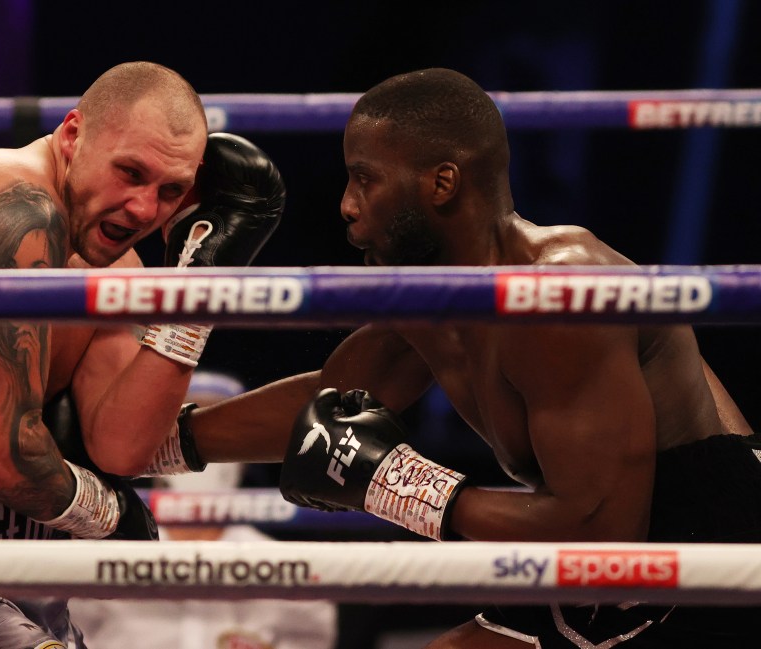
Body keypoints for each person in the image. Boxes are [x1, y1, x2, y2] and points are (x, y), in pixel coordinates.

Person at [175, 68, 761, 648]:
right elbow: (324, 411)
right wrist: (152, 445)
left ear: (442, 182)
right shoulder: (434, 302)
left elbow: (602, 532)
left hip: (707, 555)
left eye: (365, 179)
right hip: (606, 558)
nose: (347, 205)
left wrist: (400, 485)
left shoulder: (557, 292)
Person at [0, 61, 285, 649]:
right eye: (130, 172)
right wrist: (112, 517)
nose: (145, 209)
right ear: (72, 135)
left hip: (25, 572)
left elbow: (123, 445)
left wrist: (196, 287)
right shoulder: (14, 207)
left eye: (169, 191)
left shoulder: (116, 263)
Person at [70, 370, 338, 649]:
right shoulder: (111, 557)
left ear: (246, 453)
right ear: (156, 440)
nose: (205, 449)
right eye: (186, 430)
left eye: (222, 435)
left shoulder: (287, 571)